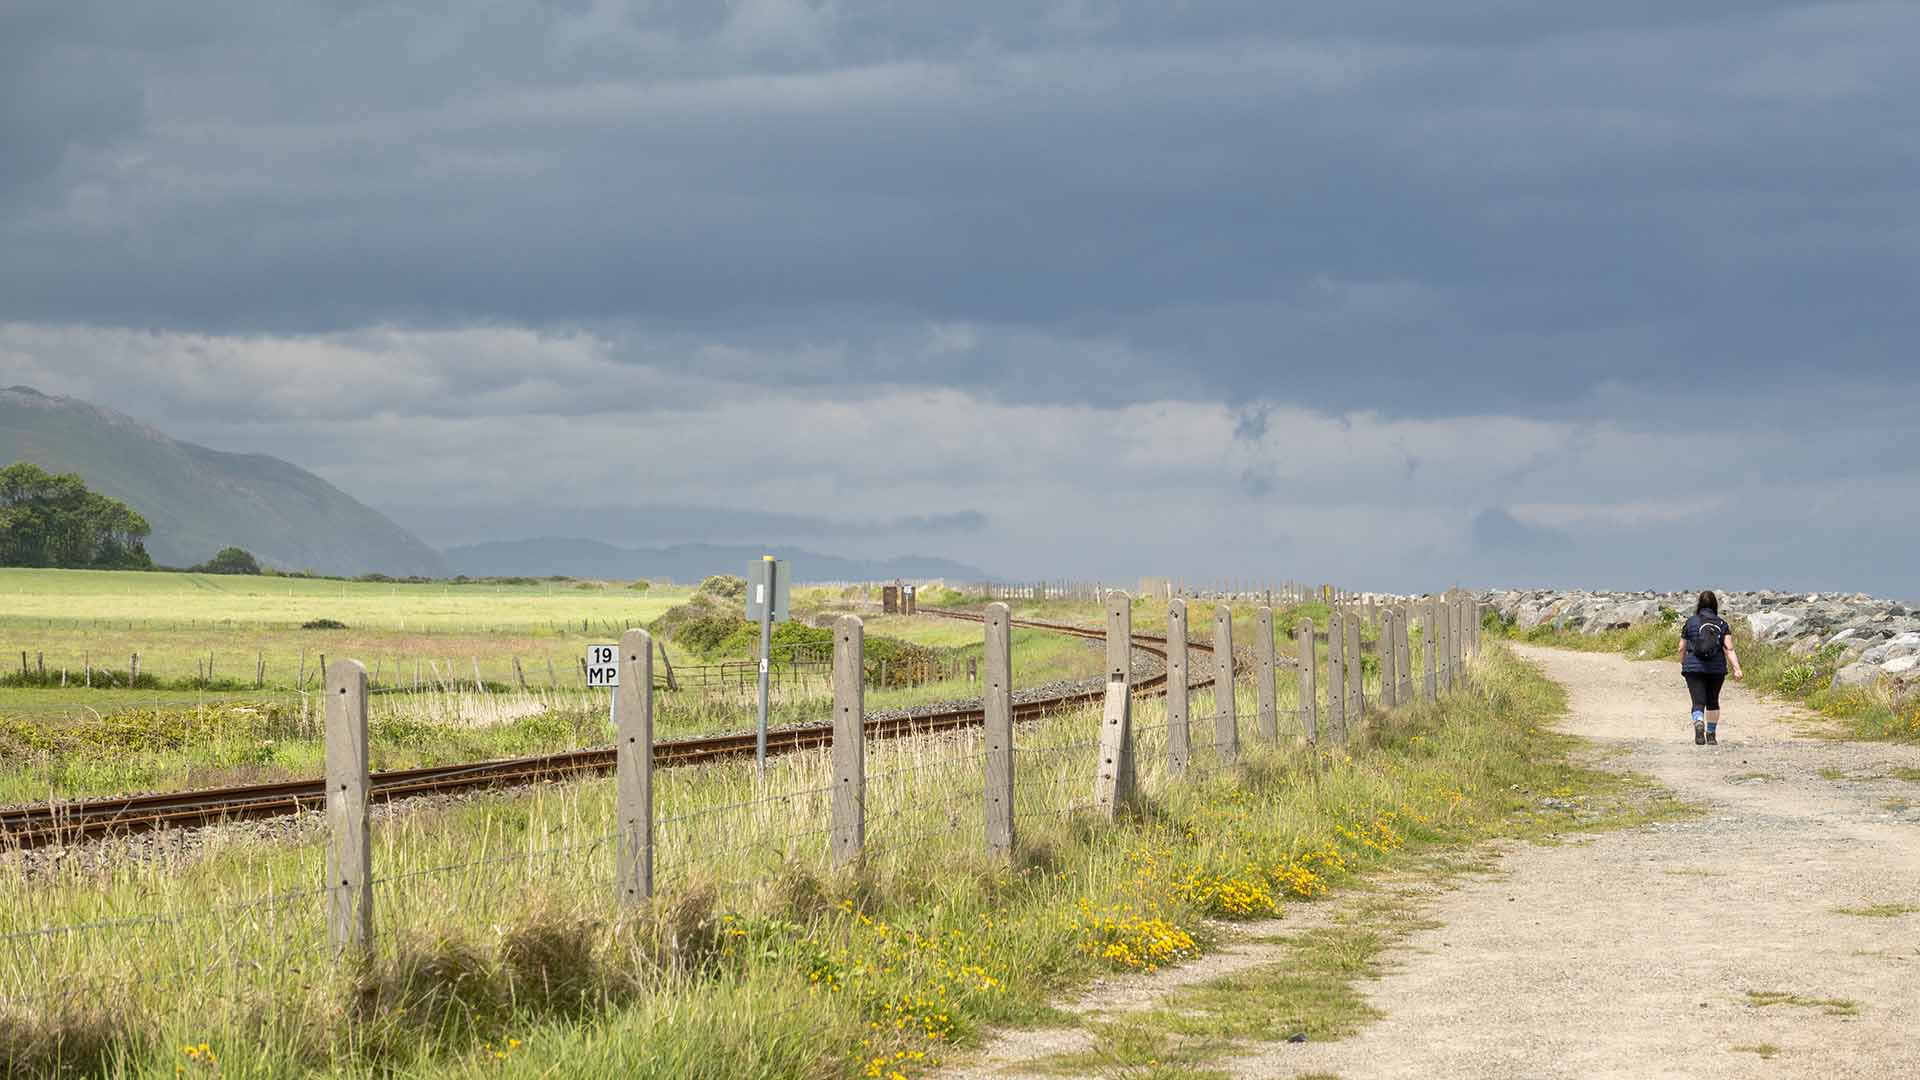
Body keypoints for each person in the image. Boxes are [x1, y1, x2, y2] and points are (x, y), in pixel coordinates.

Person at [1680, 591, 1742, 745]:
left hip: (1693, 667)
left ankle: (1699, 723)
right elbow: (1729, 649)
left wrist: (1683, 662)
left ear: (1699, 604)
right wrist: (1737, 669)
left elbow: (1681, 647)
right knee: (1713, 701)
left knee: (1698, 702)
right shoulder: (1722, 624)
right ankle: (1711, 734)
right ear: (1715, 605)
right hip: (1716, 669)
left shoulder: (1691, 622)